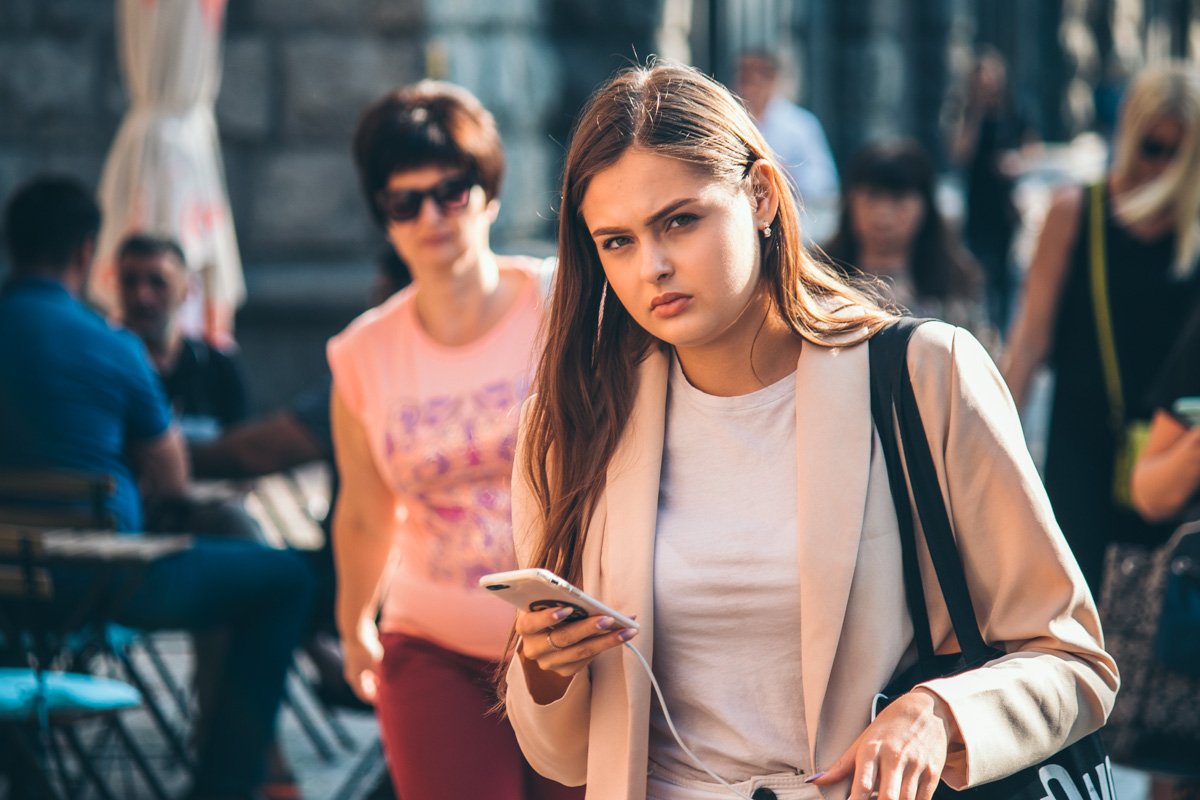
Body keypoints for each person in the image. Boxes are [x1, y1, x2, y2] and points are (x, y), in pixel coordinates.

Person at [499, 61, 1117, 800]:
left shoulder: (925, 374)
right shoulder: (570, 424)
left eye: (679, 220)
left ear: (760, 194)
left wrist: (940, 713)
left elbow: (1073, 661)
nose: (653, 267)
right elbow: (563, 760)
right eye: (617, 242)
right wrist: (544, 668)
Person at [0, 176, 314, 800]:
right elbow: (171, 478)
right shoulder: (113, 348)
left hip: (7, 590)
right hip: (96, 583)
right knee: (287, 579)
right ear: (88, 253)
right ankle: (224, 787)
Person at [327, 81, 581, 800]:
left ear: (489, 192)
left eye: (450, 191)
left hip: (573, 638)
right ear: (384, 215)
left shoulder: (559, 303)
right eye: (403, 202)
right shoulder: (361, 353)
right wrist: (353, 629)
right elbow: (365, 510)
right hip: (432, 644)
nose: (430, 216)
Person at [1002, 61, 1200, 591]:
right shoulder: (1077, 210)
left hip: (1175, 447)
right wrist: (988, 449)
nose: (1162, 165)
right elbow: (1030, 341)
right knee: (1080, 608)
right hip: (1086, 442)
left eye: (1178, 151)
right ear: (1129, 135)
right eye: (1151, 147)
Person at [821, 138, 991, 341]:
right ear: (850, 201)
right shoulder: (820, 277)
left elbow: (976, 352)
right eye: (872, 196)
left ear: (924, 205)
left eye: (898, 199)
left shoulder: (957, 280)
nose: (883, 213)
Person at [117, 232, 248, 443]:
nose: (142, 296)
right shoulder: (107, 366)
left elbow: (243, 452)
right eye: (130, 281)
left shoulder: (218, 368)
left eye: (158, 282)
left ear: (186, 288)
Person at [946, 46, 1038, 334]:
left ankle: (1005, 326)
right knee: (976, 267)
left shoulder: (1015, 108)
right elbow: (960, 152)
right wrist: (974, 112)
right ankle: (982, 325)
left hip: (1007, 204)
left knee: (1006, 269)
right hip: (977, 202)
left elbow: (1033, 148)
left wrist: (1017, 163)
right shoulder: (965, 112)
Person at [734, 51, 839, 220]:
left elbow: (824, 180)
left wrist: (788, 174)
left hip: (791, 219)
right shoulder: (733, 120)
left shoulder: (800, 125)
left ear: (773, 80)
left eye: (759, 76)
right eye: (745, 77)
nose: (751, 85)